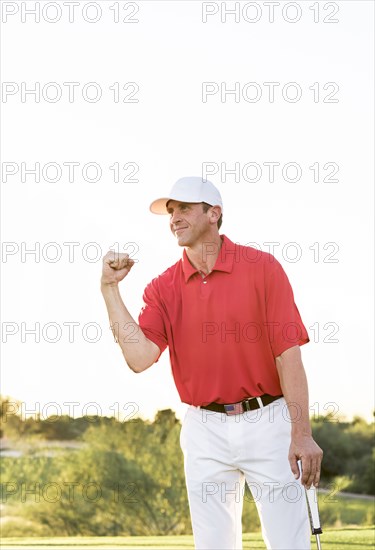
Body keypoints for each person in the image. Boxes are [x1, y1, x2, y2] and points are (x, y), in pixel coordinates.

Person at [100, 176, 323, 550]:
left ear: (214, 214)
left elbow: (289, 356)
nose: (174, 218)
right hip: (203, 428)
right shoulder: (163, 287)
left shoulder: (262, 268)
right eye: (170, 212)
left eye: (184, 208)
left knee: (289, 542)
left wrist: (301, 432)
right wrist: (109, 288)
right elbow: (139, 358)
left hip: (268, 420)